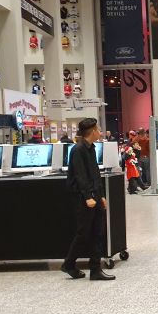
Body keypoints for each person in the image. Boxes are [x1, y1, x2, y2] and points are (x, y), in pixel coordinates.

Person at [61, 118, 114, 281]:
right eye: (98, 129)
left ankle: (95, 269)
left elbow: (95, 174)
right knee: (84, 233)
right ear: (92, 132)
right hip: (84, 198)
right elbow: (80, 176)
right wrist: (88, 197)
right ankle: (69, 263)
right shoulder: (78, 150)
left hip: (95, 195)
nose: (100, 132)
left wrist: (101, 195)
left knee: (98, 232)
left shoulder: (91, 148)